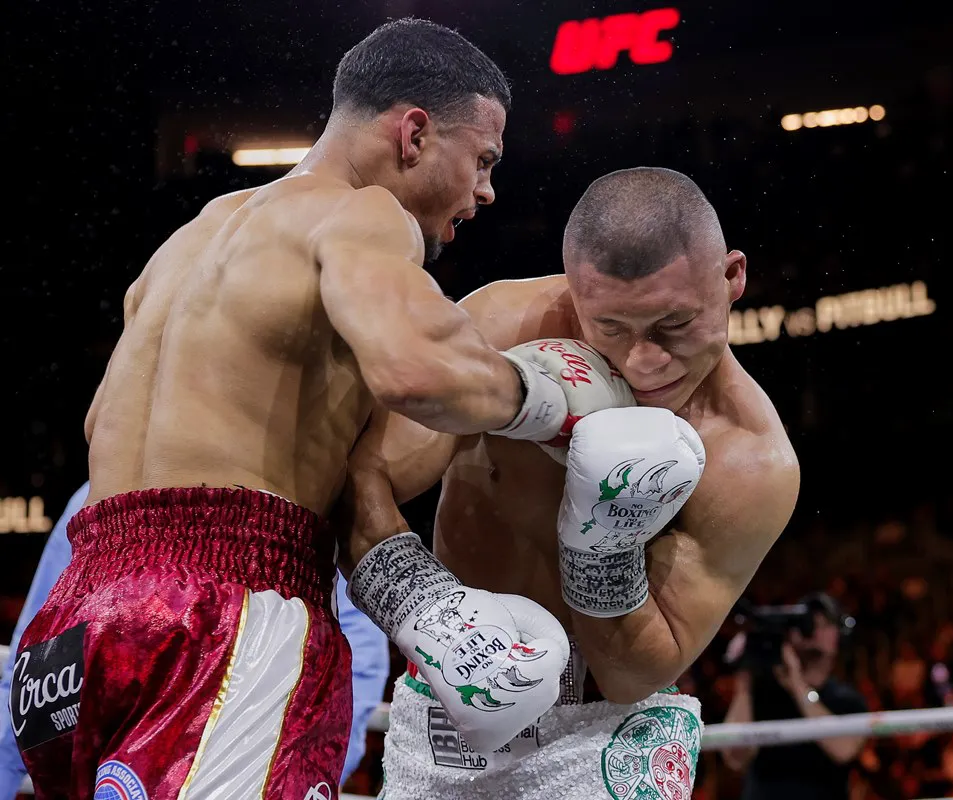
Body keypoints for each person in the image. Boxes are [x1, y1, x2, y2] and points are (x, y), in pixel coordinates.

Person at [10, 19, 595, 797]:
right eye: (482, 160)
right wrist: (555, 403)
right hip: (225, 609)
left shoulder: (190, 240)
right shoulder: (360, 215)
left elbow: (351, 459)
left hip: (73, 625)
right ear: (414, 133)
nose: (487, 191)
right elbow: (417, 370)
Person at [338, 166, 802, 799]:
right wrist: (423, 605)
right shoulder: (503, 326)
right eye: (610, 329)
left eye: (673, 325)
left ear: (733, 278)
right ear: (575, 294)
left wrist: (603, 541)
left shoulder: (750, 462)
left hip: (615, 732)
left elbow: (631, 674)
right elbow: (364, 475)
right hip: (454, 698)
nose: (643, 362)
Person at [0, 482, 391, 799]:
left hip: (87, 581)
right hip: (234, 557)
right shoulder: (300, 481)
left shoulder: (94, 478)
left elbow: (33, 649)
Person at [722, 593, 868, 800]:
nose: (813, 629)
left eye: (824, 623)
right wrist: (745, 681)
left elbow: (844, 750)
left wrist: (797, 686)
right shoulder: (763, 694)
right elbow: (735, 758)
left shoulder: (848, 700)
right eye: (808, 623)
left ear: (839, 635)